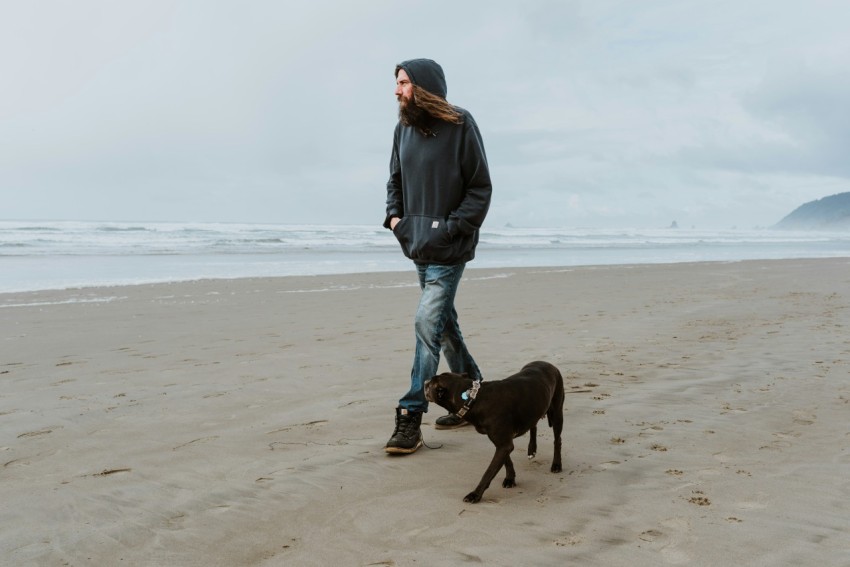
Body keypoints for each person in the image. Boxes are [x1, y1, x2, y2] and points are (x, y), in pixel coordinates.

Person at [382, 58, 492, 454]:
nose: (397, 90)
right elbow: (394, 179)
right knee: (443, 325)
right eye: (397, 83)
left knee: (427, 322)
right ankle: (474, 389)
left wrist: (451, 230)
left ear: (424, 85)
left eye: (403, 82)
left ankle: (411, 414)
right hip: (418, 246)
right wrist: (397, 222)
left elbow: (480, 187)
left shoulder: (461, 124)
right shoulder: (402, 129)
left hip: (449, 248)